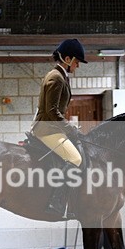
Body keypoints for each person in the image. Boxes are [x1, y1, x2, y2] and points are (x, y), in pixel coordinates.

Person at [31, 38, 87, 218]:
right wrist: (70, 129)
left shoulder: (60, 75)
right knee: (75, 158)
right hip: (47, 129)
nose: (77, 66)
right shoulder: (56, 77)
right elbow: (51, 110)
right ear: (68, 59)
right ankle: (57, 201)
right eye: (77, 62)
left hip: (52, 127)